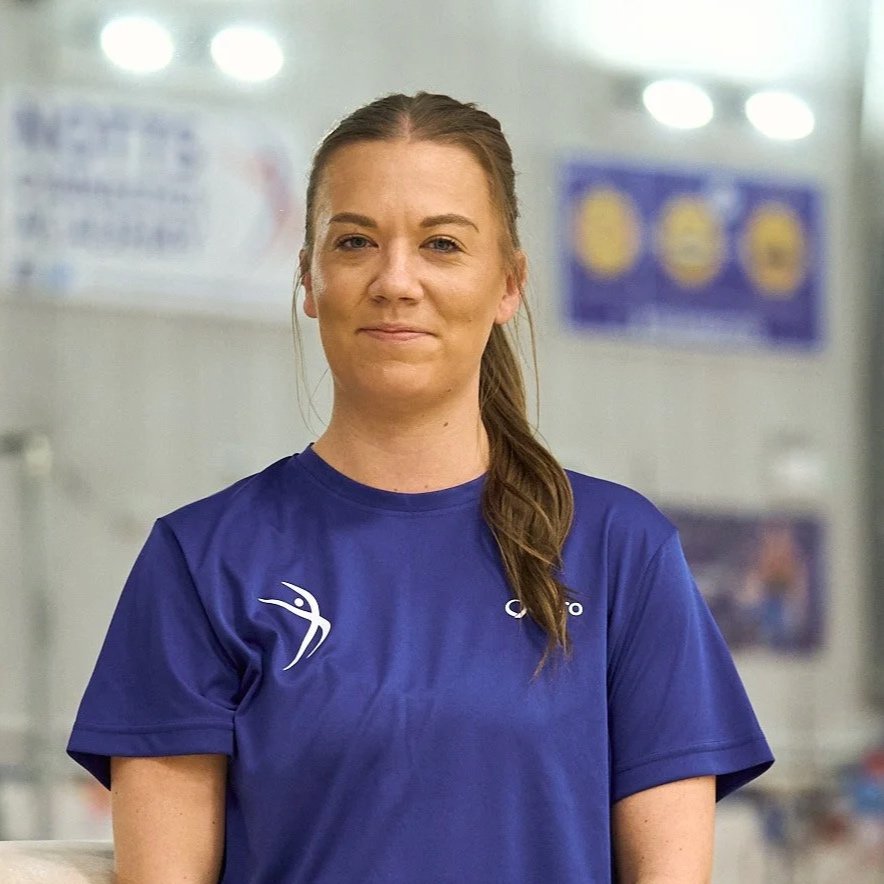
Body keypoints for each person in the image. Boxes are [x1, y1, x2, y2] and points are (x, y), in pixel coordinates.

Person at [67, 92, 774, 883]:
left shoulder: (621, 551)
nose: (396, 280)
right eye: (356, 241)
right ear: (309, 278)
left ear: (507, 284)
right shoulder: (203, 561)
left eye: (441, 244)